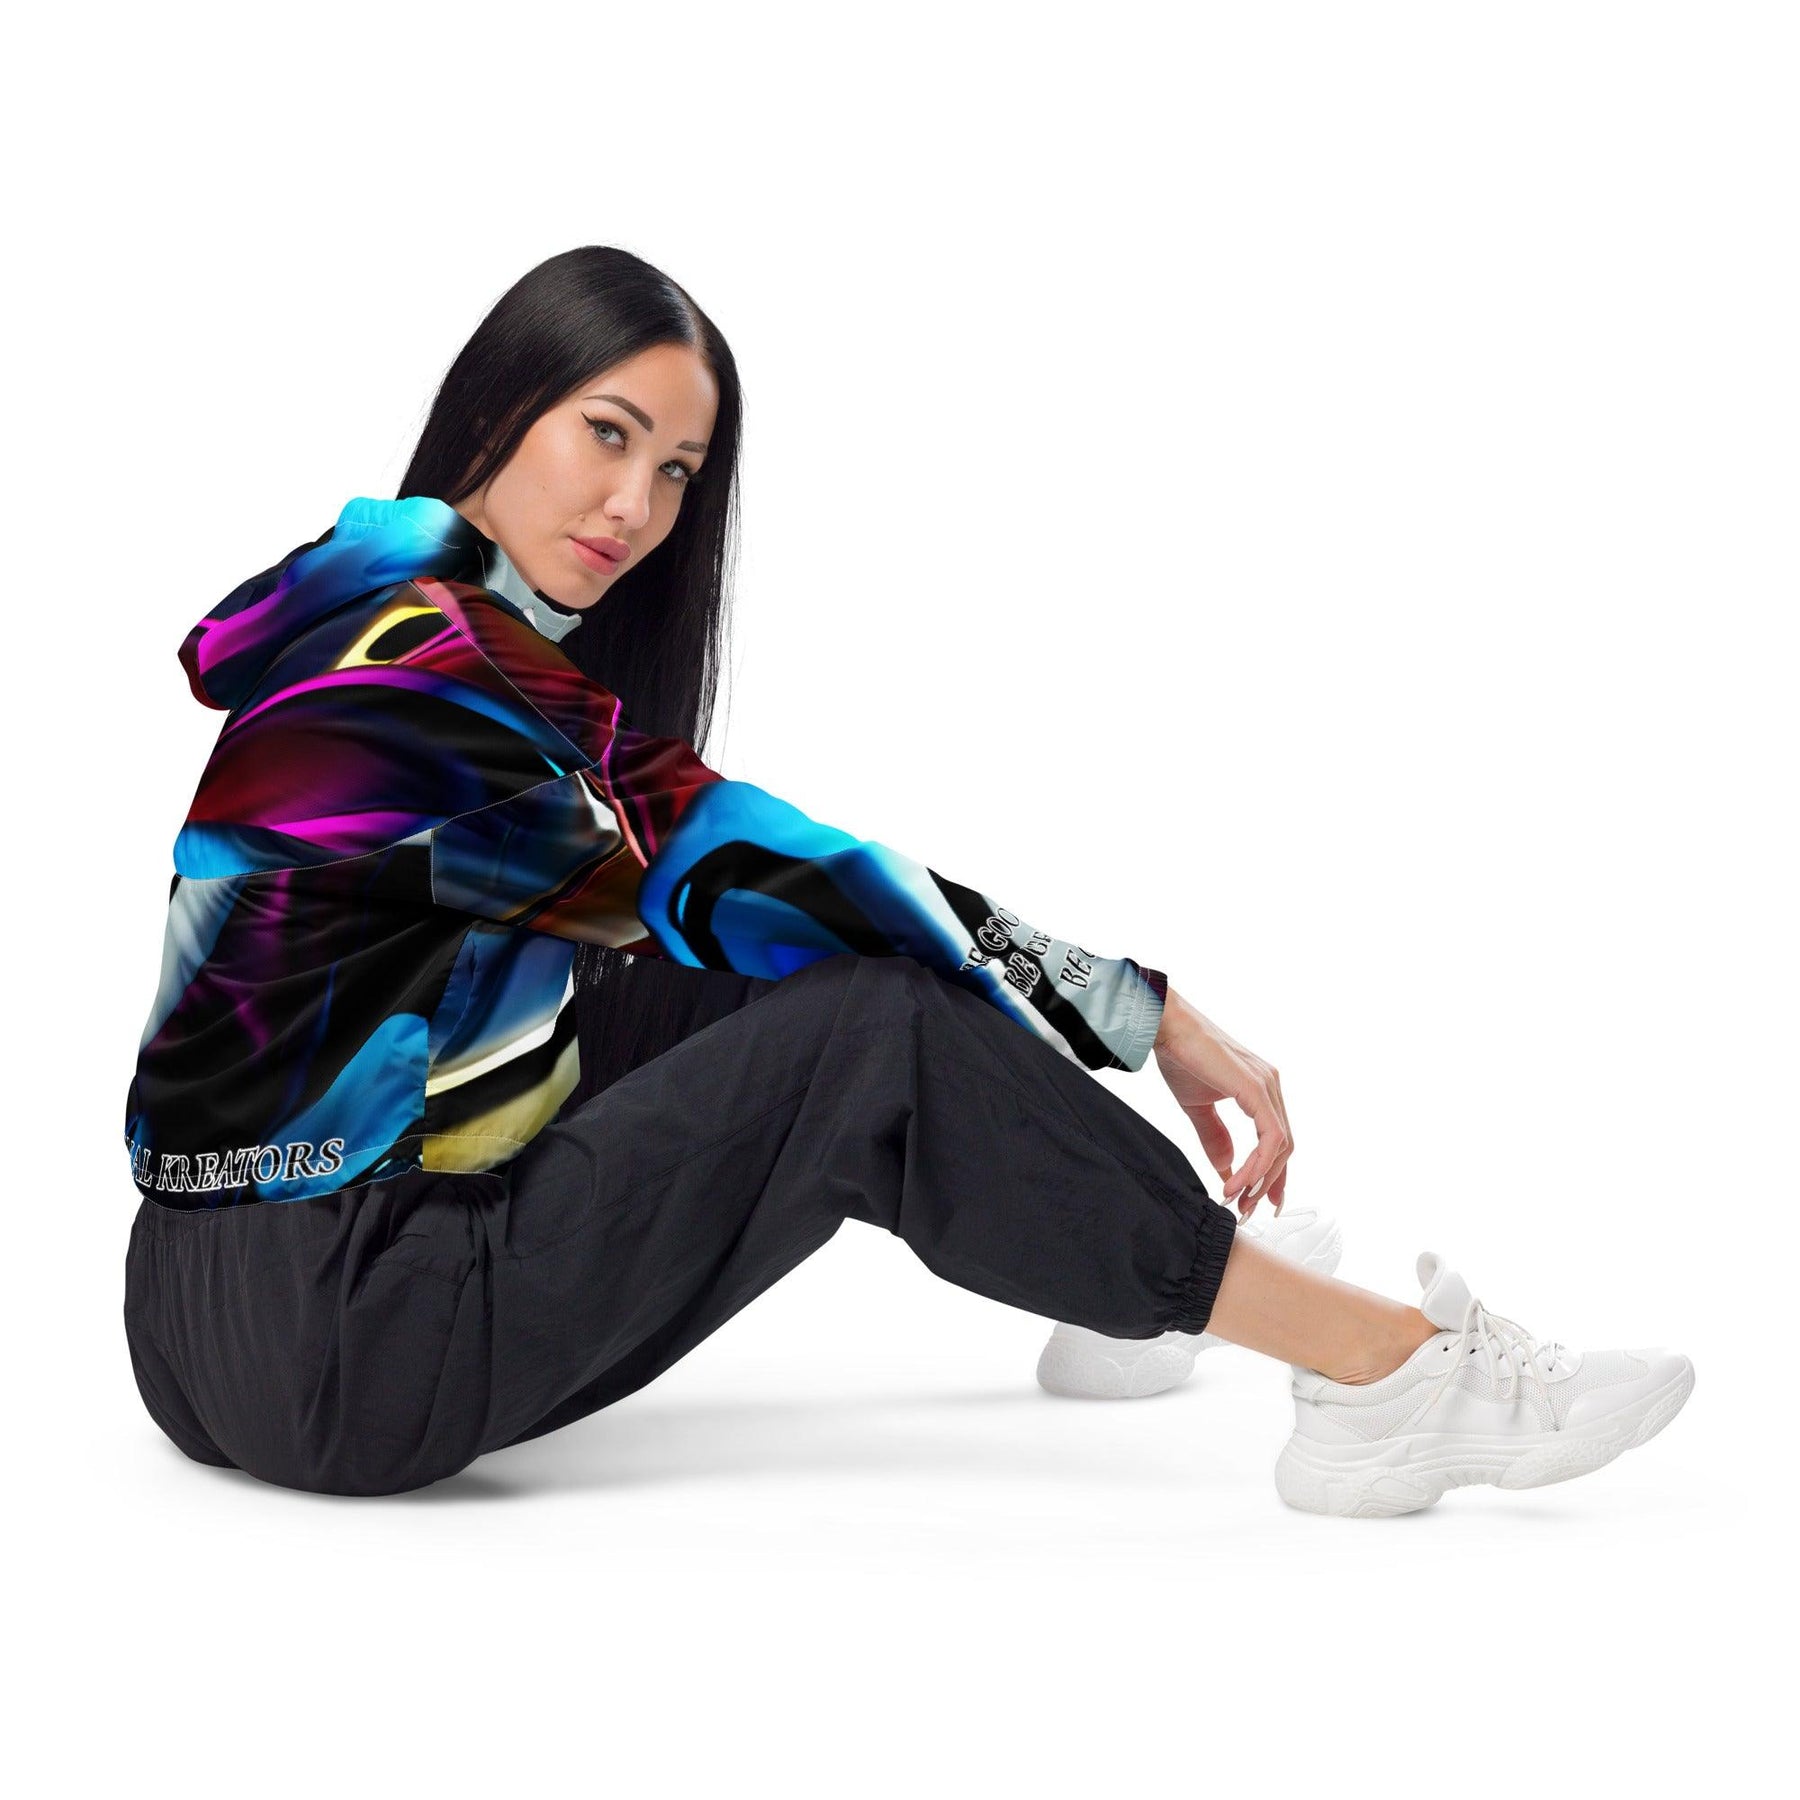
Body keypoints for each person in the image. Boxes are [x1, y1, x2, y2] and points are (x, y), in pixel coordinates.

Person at [122, 246, 1693, 1515]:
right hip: (358, 1346)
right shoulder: (442, 675)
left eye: (677, 471)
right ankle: (1388, 1377)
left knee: (750, 974)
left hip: (190, 1318)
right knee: (871, 1025)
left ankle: (1113, 1270)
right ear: (497, 411)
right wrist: (1142, 1012)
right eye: (608, 434)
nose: (637, 510)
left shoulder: (354, 608)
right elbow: (772, 869)